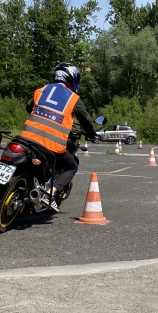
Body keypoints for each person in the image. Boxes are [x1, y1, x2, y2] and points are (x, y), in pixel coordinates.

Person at [21, 63, 97, 212]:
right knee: (72, 166)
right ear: (73, 79)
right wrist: (92, 132)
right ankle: (50, 193)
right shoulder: (73, 98)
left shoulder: (42, 89)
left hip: (27, 136)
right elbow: (85, 119)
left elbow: (29, 107)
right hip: (51, 143)